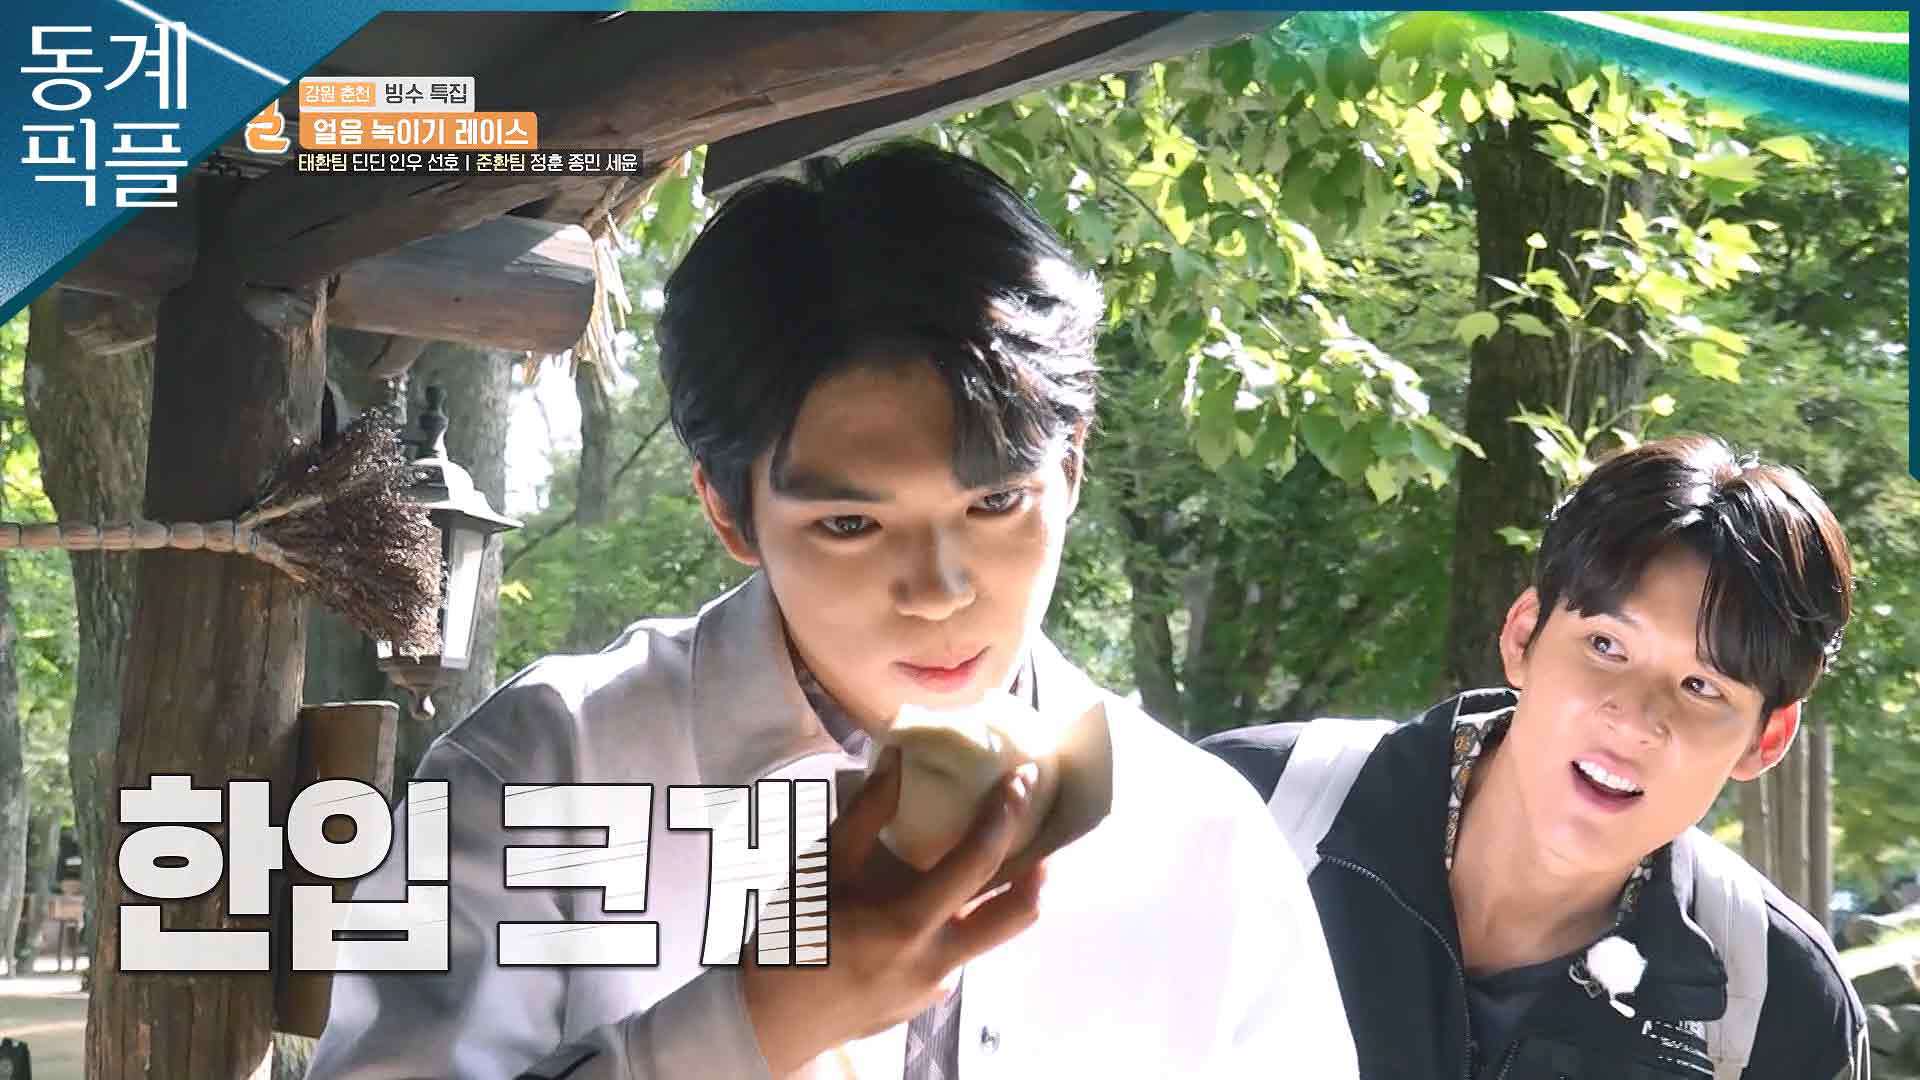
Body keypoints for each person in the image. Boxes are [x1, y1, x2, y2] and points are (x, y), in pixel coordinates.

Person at [307, 142, 1358, 1079]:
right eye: (851, 524)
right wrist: (759, 1021)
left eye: (996, 503)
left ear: (1072, 467)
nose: (940, 591)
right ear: (727, 510)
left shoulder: (1200, 838)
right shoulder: (547, 770)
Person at [1200, 436, 1870, 1080]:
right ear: (1523, 635)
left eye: (1702, 686)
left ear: (1765, 739)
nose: (1634, 720)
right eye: (1606, 646)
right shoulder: (1245, 811)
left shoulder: (1784, 1005)